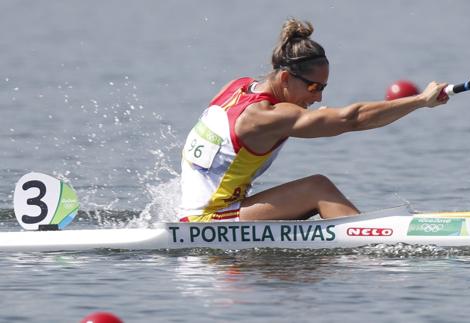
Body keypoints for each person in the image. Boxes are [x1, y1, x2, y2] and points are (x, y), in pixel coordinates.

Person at [178, 18, 448, 223]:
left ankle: (354, 230)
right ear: (285, 78)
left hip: (196, 213)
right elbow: (350, 120)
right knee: (317, 189)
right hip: (206, 223)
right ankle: (374, 245)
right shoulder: (266, 117)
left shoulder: (237, 86)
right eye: (313, 87)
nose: (318, 97)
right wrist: (420, 101)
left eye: (323, 88)